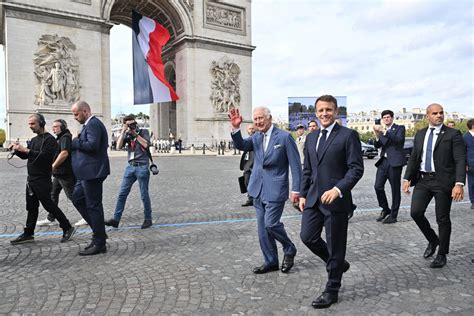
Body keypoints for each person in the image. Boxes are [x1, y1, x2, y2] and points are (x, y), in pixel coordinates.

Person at [299, 95, 364, 309]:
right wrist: (302, 194)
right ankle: (338, 264)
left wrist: (338, 190)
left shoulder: (348, 135)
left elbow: (356, 169)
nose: (324, 114)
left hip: (336, 201)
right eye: (320, 110)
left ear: (336, 112)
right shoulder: (311, 137)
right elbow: (307, 170)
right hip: (313, 199)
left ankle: (332, 289)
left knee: (336, 244)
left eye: (328, 110)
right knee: (307, 237)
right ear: (315, 113)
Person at [229, 106, 301, 274]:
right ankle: (270, 261)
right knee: (262, 231)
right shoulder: (256, 137)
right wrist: (235, 128)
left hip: (275, 190)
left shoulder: (284, 137)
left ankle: (289, 248)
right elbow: (241, 145)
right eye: (255, 119)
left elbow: (296, 166)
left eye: (261, 118)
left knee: (271, 224)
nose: (258, 122)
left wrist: (297, 189)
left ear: (270, 118)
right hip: (256, 189)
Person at [403, 103, 465, 269]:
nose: (439, 116)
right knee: (416, 212)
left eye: (441, 113)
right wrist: (407, 178)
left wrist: (459, 183)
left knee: (442, 218)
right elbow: (415, 157)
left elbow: (460, 159)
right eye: (435, 113)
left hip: (443, 182)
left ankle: (442, 254)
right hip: (423, 181)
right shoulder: (420, 134)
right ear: (427, 116)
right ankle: (433, 239)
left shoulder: (453, 134)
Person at [9, 113, 76, 244]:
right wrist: (17, 150)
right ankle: (29, 233)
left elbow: (44, 157)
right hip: (31, 179)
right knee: (31, 206)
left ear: (42, 123)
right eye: (29, 124)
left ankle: (67, 227)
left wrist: (27, 150)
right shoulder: (34, 140)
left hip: (43, 179)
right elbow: (28, 157)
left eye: (33, 124)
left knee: (49, 205)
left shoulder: (50, 140)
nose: (30, 126)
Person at [71, 101, 110, 256]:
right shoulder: (89, 125)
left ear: (85, 111)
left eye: (76, 114)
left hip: (93, 172)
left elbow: (92, 145)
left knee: (94, 206)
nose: (74, 117)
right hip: (87, 173)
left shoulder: (93, 124)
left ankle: (99, 242)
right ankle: (98, 231)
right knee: (77, 198)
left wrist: (75, 141)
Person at [105, 114, 153, 229]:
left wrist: (135, 134)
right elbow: (118, 146)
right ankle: (116, 220)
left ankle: (148, 219)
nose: (131, 126)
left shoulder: (143, 131)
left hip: (142, 166)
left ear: (135, 123)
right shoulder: (126, 134)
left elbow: (146, 144)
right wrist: (123, 131)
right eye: (128, 124)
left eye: (133, 123)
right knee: (122, 194)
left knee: (144, 194)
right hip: (130, 167)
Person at [36, 119, 87, 227]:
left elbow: (64, 153)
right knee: (52, 195)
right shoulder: (60, 138)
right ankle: (51, 218)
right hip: (58, 173)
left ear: (63, 127)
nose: (53, 129)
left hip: (65, 173)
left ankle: (87, 216)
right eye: (53, 126)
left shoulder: (65, 137)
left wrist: (53, 166)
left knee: (73, 196)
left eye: (56, 126)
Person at [372, 110, 406, 224]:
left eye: (388, 117)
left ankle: (393, 215)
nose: (386, 119)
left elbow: (399, 140)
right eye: (384, 118)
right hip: (383, 162)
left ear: (392, 118)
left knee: (395, 189)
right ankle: (385, 208)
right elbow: (377, 145)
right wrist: (377, 136)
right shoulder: (381, 130)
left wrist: (384, 131)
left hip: (395, 162)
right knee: (378, 186)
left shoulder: (399, 128)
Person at [240, 124, 255, 207]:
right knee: (246, 182)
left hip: (253, 165)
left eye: (253, 128)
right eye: (250, 129)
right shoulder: (247, 140)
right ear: (247, 130)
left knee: (252, 182)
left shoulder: (256, 139)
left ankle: (253, 198)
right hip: (246, 165)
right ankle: (250, 198)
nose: (251, 130)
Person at [464, 119, 474, 209]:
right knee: (471, 184)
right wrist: (465, 165)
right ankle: (473, 201)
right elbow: (463, 152)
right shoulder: (465, 137)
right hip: (471, 164)